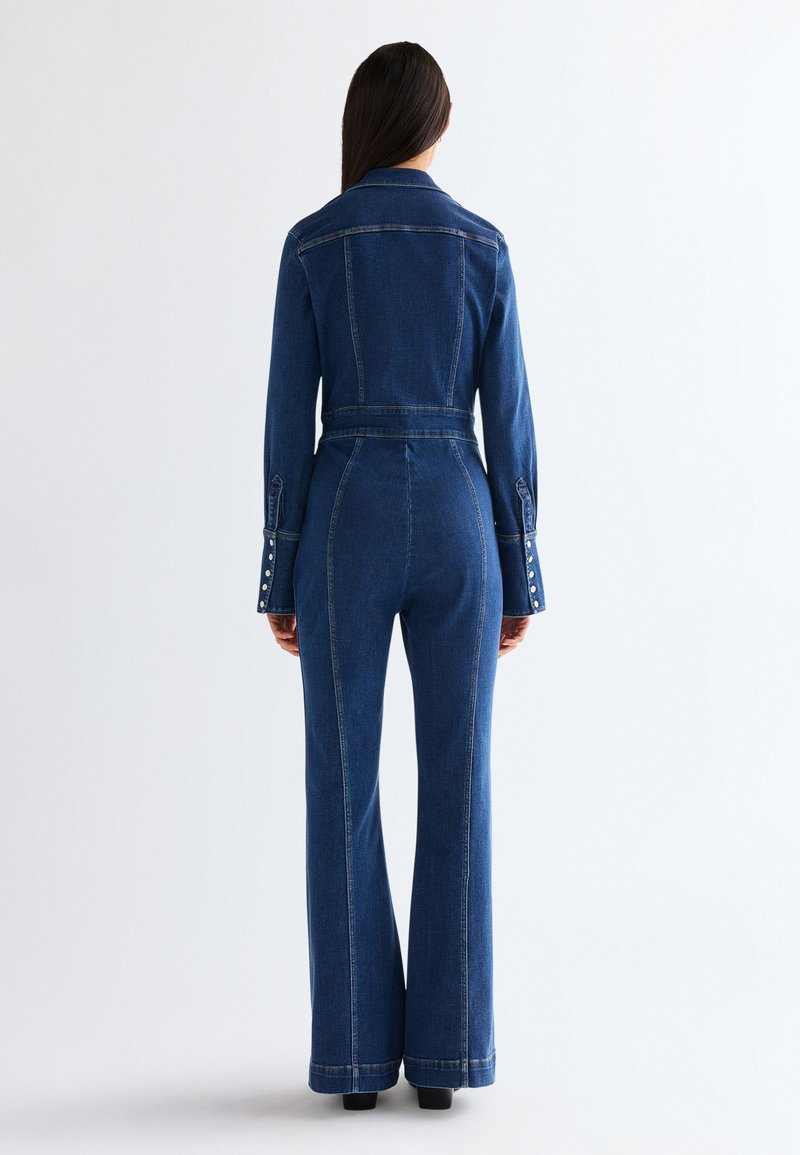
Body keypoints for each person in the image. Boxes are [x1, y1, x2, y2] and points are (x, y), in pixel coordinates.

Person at [256, 41, 546, 1111]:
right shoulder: (482, 246)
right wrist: (518, 568)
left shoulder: (313, 244)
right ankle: (447, 1064)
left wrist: (280, 567)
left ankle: (352, 1066)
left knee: (341, 782)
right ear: (439, 121)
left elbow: (288, 422)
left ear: (363, 125)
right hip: (460, 517)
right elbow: (508, 422)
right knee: (458, 781)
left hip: (347, 518)